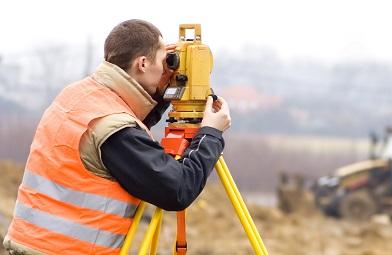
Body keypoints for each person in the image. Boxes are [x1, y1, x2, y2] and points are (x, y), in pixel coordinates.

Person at [3, 19, 231, 254]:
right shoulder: (113, 129)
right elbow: (178, 190)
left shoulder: (77, 95)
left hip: (31, 245)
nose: (167, 69)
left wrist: (160, 94)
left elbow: (125, 129)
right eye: (165, 61)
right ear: (142, 63)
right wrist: (211, 135)